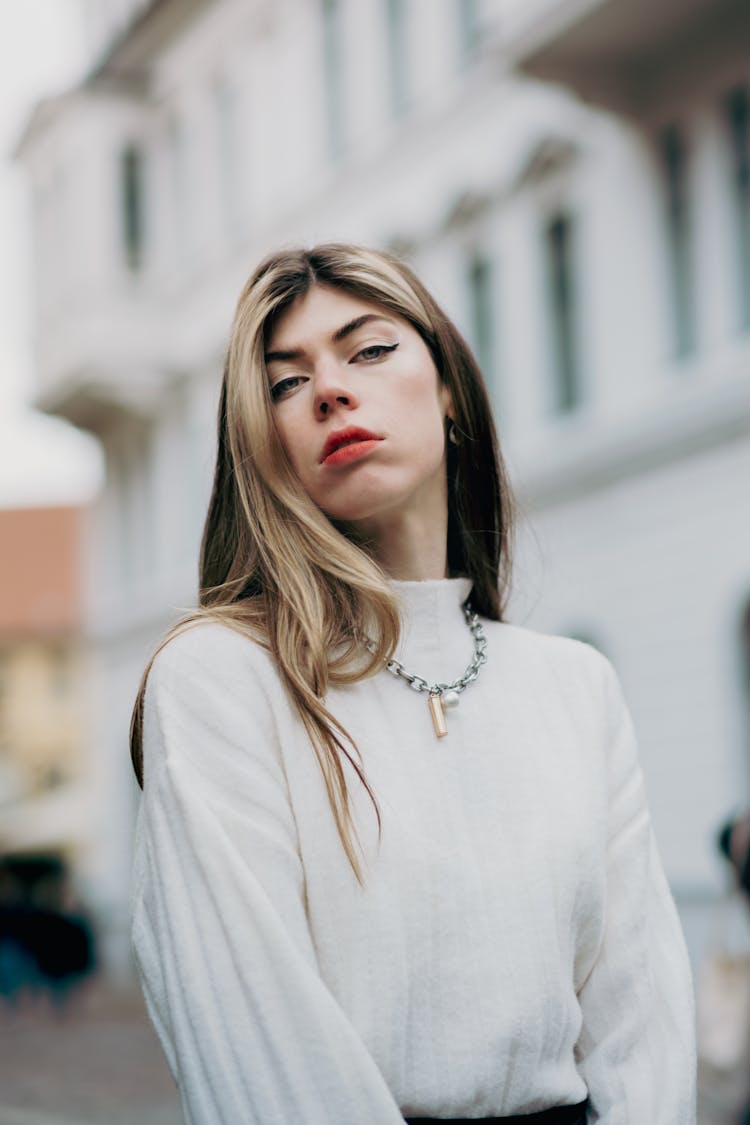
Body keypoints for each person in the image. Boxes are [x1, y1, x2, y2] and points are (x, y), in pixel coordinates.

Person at [129, 243, 696, 1124]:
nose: (329, 389)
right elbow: (255, 1042)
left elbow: (641, 1024)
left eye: (369, 349)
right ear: (264, 440)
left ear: (448, 389)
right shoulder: (221, 679)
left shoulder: (576, 687)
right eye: (285, 382)